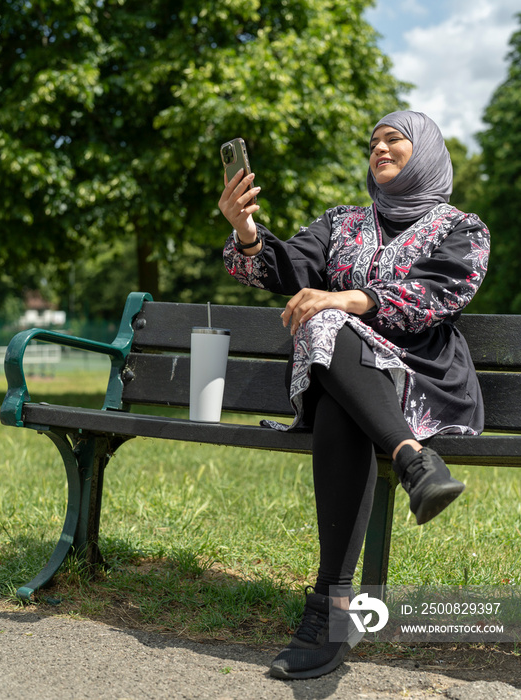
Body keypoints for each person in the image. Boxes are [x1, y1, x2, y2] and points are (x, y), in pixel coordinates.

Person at [218, 111, 490, 680]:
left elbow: (437, 294)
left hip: (420, 379)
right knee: (330, 350)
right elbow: (288, 268)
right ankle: (413, 463)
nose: (381, 149)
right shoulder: (342, 222)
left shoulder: (461, 227)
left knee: (325, 326)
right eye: (374, 142)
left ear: (428, 153)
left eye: (395, 139)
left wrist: (349, 300)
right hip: (349, 376)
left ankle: (330, 610)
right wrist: (246, 231)